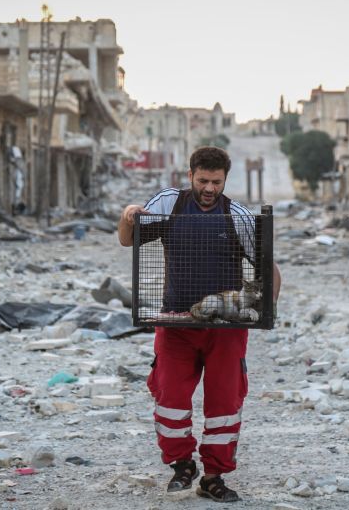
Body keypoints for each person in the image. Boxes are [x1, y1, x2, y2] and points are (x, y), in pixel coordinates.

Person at [118, 146, 281, 503]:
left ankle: (214, 476)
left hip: (225, 328)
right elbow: (128, 238)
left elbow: (268, 268)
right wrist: (129, 214)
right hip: (176, 322)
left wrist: (267, 310)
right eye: (203, 180)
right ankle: (181, 466)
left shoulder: (236, 216)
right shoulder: (168, 204)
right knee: (169, 398)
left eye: (216, 182)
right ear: (190, 174)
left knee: (225, 401)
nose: (209, 188)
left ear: (225, 180)